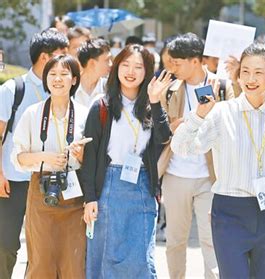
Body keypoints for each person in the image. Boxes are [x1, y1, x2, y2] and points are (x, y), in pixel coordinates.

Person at [171, 42, 265, 278]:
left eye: (258, 72)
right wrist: (198, 116)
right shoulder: (222, 113)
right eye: (245, 71)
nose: (251, 79)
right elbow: (181, 147)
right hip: (230, 213)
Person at [81, 44, 171, 278]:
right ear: (117, 68)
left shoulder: (152, 106)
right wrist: (90, 198)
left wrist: (156, 100)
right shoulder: (102, 105)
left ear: (147, 71)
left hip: (142, 184)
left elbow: (164, 138)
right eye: (125, 65)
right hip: (109, 184)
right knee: (106, 257)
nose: (131, 71)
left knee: (141, 259)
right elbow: (89, 157)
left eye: (138, 67)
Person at [157, 32, 233, 279]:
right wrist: (174, 126)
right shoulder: (170, 88)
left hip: (210, 176)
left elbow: (233, 124)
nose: (173, 67)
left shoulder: (220, 86)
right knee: (175, 241)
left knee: (212, 240)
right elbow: (160, 127)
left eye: (177, 62)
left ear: (195, 60)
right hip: (175, 174)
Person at [11, 54, 89, 278]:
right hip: (41, 192)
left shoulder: (85, 114)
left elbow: (91, 162)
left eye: (64, 74)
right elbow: (18, 158)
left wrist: (80, 155)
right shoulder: (32, 113)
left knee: (74, 264)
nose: (58, 79)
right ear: (45, 79)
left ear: (74, 79)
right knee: (41, 262)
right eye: (52, 74)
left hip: (75, 194)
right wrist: (43, 157)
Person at [0, 29, 68, 278]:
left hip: (48, 180)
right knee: (5, 245)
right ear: (44, 57)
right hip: (13, 181)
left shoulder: (63, 88)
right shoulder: (12, 89)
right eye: (61, 55)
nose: (66, 61)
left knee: (42, 249)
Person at [75, 38, 112, 108]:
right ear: (91, 63)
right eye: (107, 60)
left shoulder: (109, 88)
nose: (111, 64)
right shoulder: (70, 87)